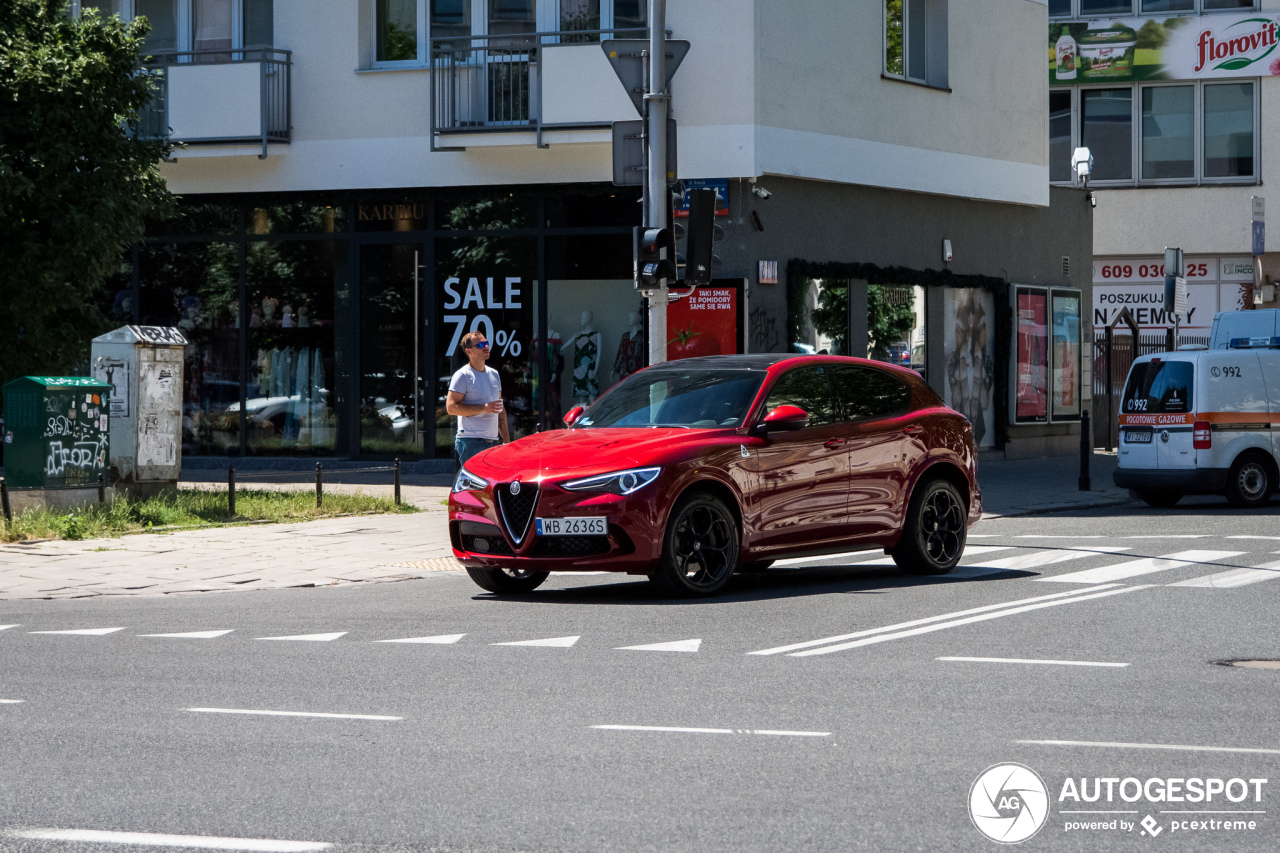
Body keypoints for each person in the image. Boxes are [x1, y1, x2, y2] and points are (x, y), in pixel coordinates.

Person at [446, 331, 508, 465]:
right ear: (469, 352)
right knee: (474, 485)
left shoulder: (494, 374)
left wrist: (507, 442)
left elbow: (500, 409)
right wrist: (483, 408)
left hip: (493, 442)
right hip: (471, 442)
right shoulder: (462, 375)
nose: (486, 347)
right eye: (480, 345)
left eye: (486, 343)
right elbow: (451, 408)